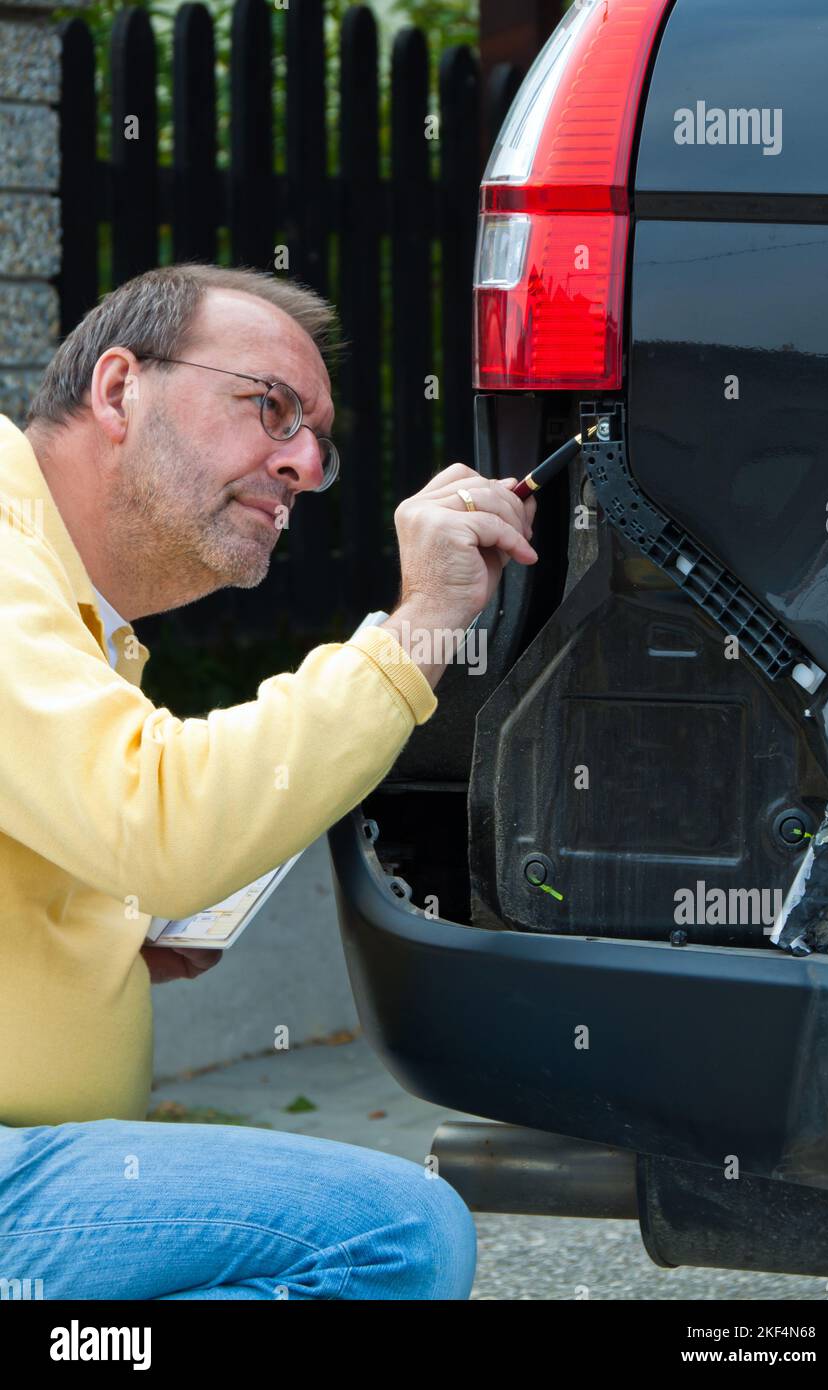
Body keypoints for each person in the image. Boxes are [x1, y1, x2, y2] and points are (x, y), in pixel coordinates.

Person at [0, 263, 537, 1300]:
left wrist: (98, 937)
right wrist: (418, 626)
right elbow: (153, 813)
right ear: (119, 390)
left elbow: (110, 827)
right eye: (270, 407)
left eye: (315, 442)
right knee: (391, 1233)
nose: (300, 462)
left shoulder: (74, 611)